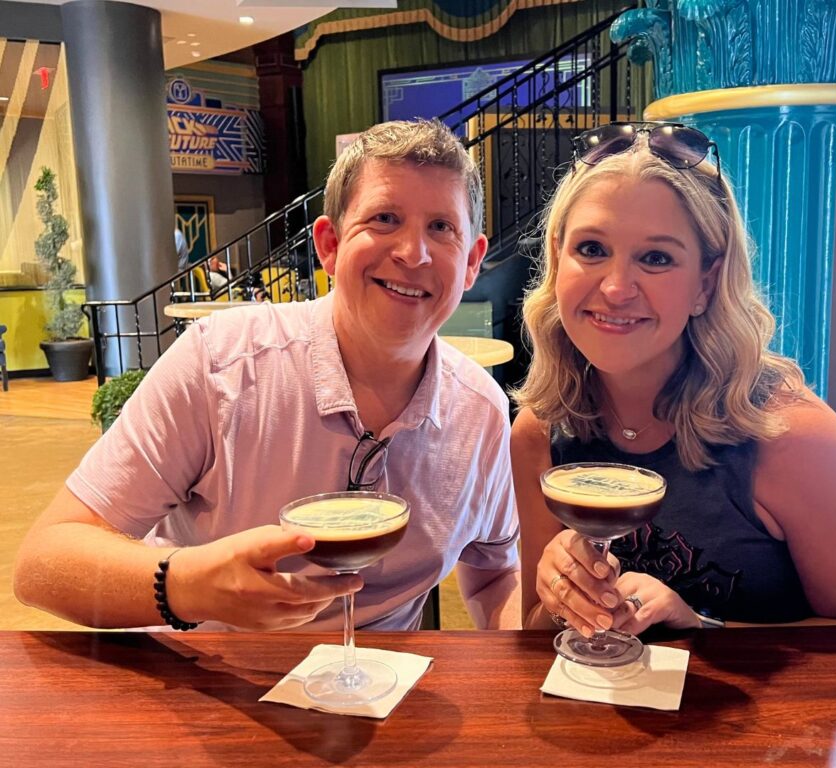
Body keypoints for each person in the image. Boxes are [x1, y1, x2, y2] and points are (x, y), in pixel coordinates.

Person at [14, 119, 521, 633]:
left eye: (442, 228)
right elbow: (43, 562)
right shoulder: (221, 364)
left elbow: (494, 575)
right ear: (329, 244)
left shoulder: (480, 410)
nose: (413, 253)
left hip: (382, 695)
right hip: (209, 687)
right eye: (385, 218)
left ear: (473, 261)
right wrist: (189, 585)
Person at [511, 122, 836, 636]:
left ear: (706, 282)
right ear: (557, 259)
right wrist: (559, 597)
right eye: (591, 249)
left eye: (656, 258)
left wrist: (700, 626)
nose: (616, 287)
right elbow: (537, 636)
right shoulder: (539, 433)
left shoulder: (789, 435)